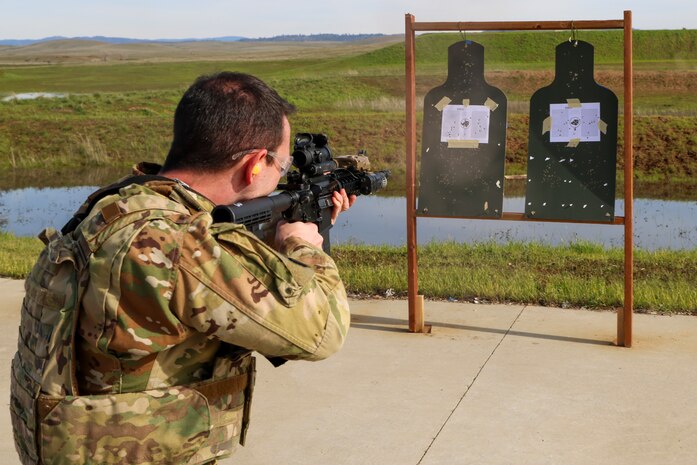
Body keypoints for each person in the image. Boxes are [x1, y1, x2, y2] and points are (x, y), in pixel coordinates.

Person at [11, 72, 355, 465]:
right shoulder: (176, 244)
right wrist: (304, 247)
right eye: (282, 164)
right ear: (255, 164)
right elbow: (321, 333)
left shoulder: (119, 204)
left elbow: (200, 279)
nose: (282, 177)